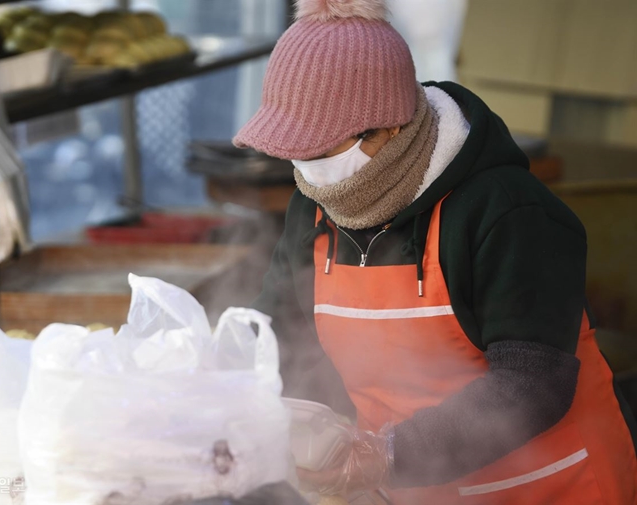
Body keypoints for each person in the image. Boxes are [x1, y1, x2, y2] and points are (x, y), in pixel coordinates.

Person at [233, 0, 637, 503]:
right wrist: (219, 393)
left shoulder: (508, 214)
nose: (305, 169)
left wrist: (390, 456)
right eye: (293, 151)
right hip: (410, 490)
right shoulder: (314, 208)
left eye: (318, 151)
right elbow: (276, 336)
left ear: (389, 129)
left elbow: (533, 383)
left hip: (547, 486)